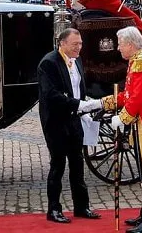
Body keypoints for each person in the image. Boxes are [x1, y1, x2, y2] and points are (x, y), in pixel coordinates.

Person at [93, 26, 142, 233]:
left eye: (120, 44)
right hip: (141, 123)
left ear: (129, 44)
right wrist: (102, 103)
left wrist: (122, 118)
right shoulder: (136, 62)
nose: (118, 48)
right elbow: (128, 95)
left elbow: (138, 99)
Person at [37, 28, 102, 224]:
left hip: (74, 118)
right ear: (62, 43)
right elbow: (52, 95)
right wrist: (80, 105)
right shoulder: (49, 63)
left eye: (80, 43)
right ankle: (53, 209)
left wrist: (85, 105)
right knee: (58, 165)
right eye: (75, 44)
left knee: (77, 163)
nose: (79, 47)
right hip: (56, 121)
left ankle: (81, 206)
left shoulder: (78, 61)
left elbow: (78, 90)